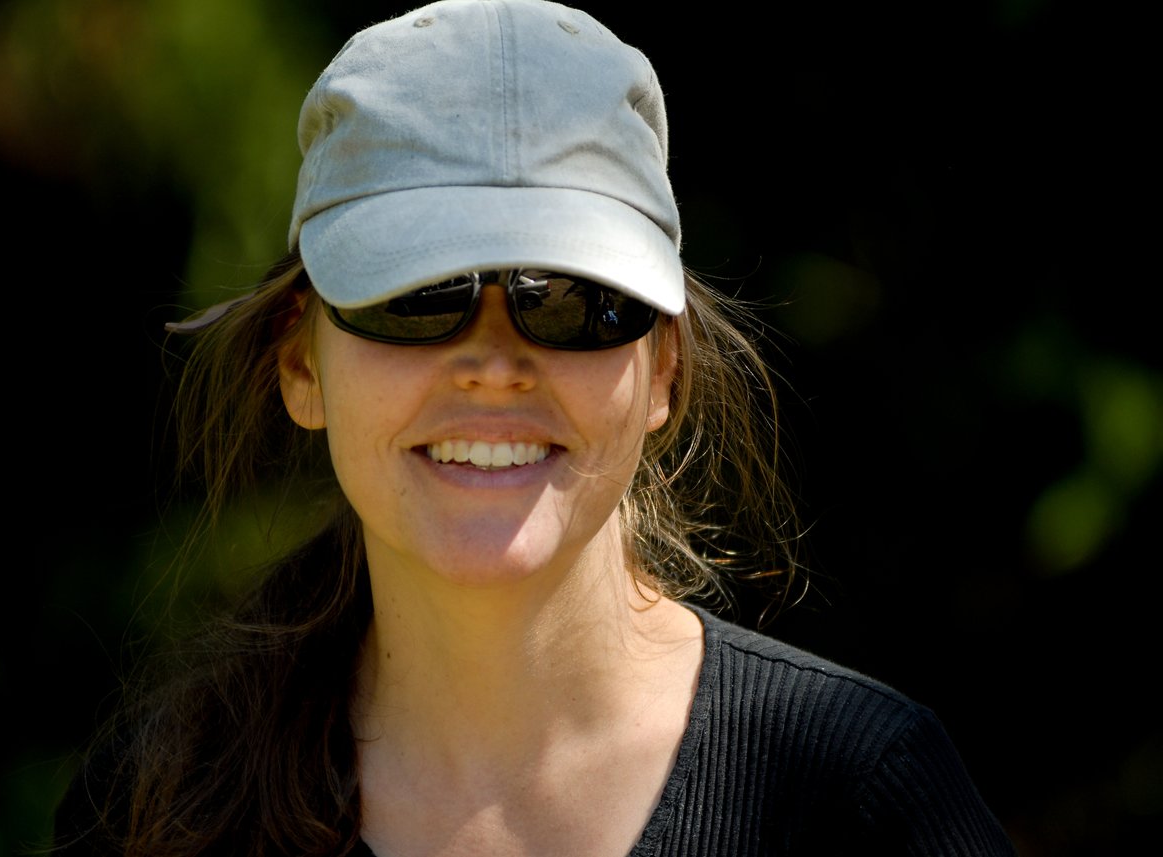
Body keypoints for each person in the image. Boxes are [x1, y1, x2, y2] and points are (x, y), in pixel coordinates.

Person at [53, 1, 1016, 854]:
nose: (494, 360)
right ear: (301, 361)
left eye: (571, 302)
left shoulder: (865, 798)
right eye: (419, 293)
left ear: (662, 370)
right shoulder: (153, 810)